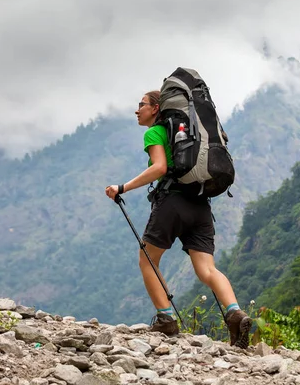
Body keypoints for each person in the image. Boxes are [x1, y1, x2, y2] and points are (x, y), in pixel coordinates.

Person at [105, 90, 252, 348]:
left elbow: (160, 168)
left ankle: (166, 320)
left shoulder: (155, 133)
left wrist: (123, 187)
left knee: (148, 260)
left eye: (141, 105)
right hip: (201, 204)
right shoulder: (191, 132)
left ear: (156, 108)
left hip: (172, 202)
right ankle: (235, 313)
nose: (137, 110)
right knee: (207, 269)